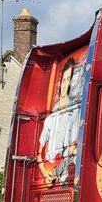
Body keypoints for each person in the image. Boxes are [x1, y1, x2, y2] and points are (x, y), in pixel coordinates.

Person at [37, 58, 81, 186]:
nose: (65, 84)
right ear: (60, 82)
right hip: (52, 174)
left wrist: (73, 151)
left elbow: (76, 147)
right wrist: (46, 175)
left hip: (67, 177)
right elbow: (39, 154)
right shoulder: (50, 120)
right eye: (63, 79)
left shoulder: (78, 114)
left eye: (69, 80)